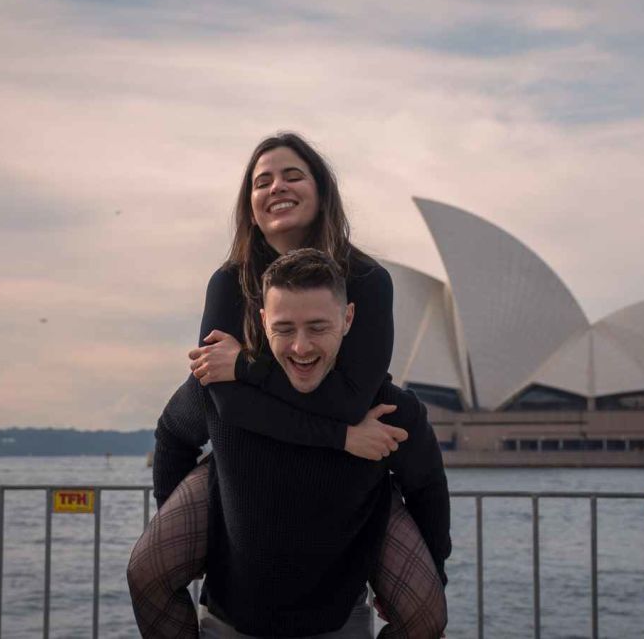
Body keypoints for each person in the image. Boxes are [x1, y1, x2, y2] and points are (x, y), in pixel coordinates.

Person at [128, 133, 449, 637]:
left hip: (348, 487)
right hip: (246, 474)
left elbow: (350, 398)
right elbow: (225, 403)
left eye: (293, 175)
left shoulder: (366, 279)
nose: (277, 186)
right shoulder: (229, 282)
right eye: (262, 181)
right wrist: (343, 436)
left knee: (427, 610)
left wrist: (247, 368)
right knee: (146, 571)